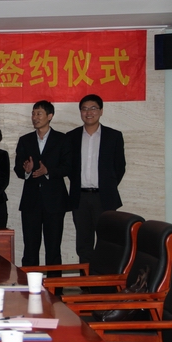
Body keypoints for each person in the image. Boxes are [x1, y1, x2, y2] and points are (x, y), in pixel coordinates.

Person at [68, 94, 126, 264]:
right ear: (80, 112)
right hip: (80, 198)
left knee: (107, 242)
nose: (89, 112)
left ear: (101, 111)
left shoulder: (113, 136)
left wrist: (107, 186)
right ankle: (86, 279)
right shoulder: (71, 137)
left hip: (104, 197)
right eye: (84, 109)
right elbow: (69, 167)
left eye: (93, 108)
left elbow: (119, 166)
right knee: (83, 244)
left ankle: (104, 279)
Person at [14, 100, 71, 269]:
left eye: (39, 113)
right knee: (30, 249)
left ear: (50, 116)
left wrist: (48, 171)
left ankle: (54, 285)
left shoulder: (62, 139)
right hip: (31, 202)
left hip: (55, 201)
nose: (35, 117)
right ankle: (28, 283)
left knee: (53, 250)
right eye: (33, 114)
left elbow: (68, 167)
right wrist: (26, 170)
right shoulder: (25, 140)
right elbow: (18, 168)